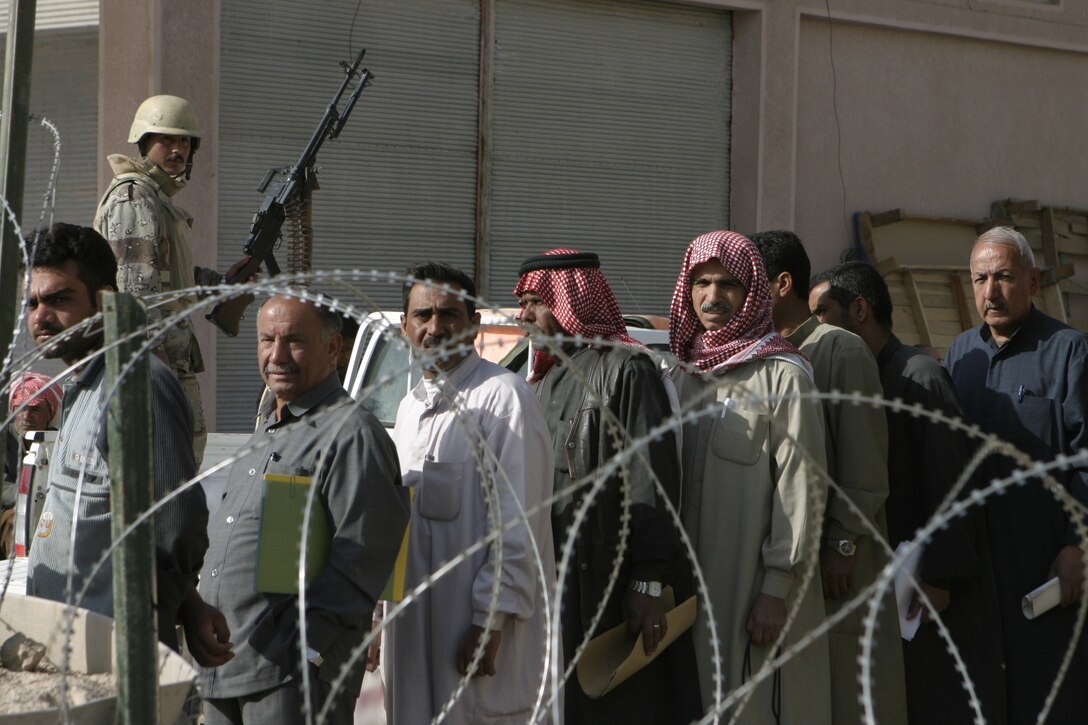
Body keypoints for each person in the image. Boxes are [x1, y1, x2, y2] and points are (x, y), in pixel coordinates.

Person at [195, 294, 408, 724]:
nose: (276, 356)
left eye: (294, 341)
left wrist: (305, 651)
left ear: (334, 349)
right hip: (226, 665)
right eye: (266, 340)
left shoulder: (351, 434)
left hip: (290, 677)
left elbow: (364, 557)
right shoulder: (268, 429)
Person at [815, 260, 1007, 724]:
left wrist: (939, 577)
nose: (817, 328)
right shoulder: (861, 375)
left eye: (823, 313)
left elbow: (952, 481)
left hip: (927, 592)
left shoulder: (918, 376)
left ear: (859, 310)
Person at [514, 248, 700, 723]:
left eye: (535, 300)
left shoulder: (626, 370)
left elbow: (650, 478)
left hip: (606, 581)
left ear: (570, 300)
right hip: (554, 577)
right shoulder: (540, 379)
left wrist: (648, 578)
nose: (524, 314)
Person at [22, 222, 211, 652]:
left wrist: (163, 614)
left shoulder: (134, 383)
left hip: (118, 656)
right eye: (31, 303)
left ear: (105, 301)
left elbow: (175, 523)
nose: (41, 317)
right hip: (68, 649)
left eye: (58, 299)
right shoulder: (83, 386)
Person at [669, 230, 831, 724]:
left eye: (727, 284)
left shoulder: (783, 375)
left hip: (750, 591)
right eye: (701, 283)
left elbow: (801, 488)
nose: (712, 297)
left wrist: (776, 588)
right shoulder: (679, 373)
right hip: (686, 589)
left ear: (753, 291)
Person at [384, 262, 555, 724]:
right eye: (422, 316)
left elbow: (520, 522)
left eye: (448, 315)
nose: (434, 328)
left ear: (474, 324)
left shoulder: (504, 398)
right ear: (404, 326)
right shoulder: (409, 406)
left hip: (474, 630)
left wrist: (489, 619)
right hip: (411, 625)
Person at [750, 230, 906, 725]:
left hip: (844, 564)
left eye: (748, 282)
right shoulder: (768, 355)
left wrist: (842, 543)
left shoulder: (838, 350)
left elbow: (864, 462)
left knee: (849, 693)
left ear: (780, 285)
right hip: (797, 565)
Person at [944, 226, 1088, 724]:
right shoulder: (961, 355)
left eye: (1003, 277)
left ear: (1032, 279)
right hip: (979, 575)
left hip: (1046, 570)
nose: (991, 291)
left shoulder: (1069, 351)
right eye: (980, 279)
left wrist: (1077, 546)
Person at [94, 94, 243, 465]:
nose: (178, 149)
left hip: (168, 365)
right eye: (167, 140)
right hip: (156, 368)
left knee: (179, 469)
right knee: (165, 475)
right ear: (144, 143)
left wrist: (220, 283)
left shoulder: (154, 199)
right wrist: (157, 377)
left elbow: (164, 277)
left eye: (185, 141)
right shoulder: (134, 198)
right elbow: (134, 295)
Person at [2, 372, 61, 558]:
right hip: (9, 509)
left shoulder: (57, 440)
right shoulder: (4, 439)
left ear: (49, 413)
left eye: (35, 410)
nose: (26, 416)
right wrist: (29, 495)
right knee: (16, 522)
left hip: (48, 508)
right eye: (21, 409)